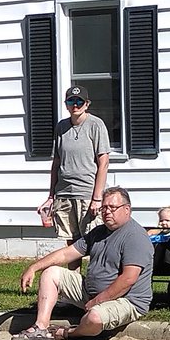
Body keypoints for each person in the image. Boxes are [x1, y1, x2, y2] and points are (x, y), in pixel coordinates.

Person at [12, 186, 153, 340]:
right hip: (91, 294)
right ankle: (41, 327)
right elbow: (66, 253)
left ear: (127, 209)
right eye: (104, 208)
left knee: (94, 318)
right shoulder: (99, 232)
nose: (107, 212)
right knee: (51, 273)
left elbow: (128, 279)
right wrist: (34, 267)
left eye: (112, 208)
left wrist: (97, 301)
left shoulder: (135, 236)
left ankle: (68, 333)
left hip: (127, 301)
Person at [39, 84, 111, 245]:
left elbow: (104, 162)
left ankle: (96, 271)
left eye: (80, 101)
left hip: (88, 194)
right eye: (71, 102)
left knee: (94, 242)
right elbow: (56, 163)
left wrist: (97, 198)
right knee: (71, 244)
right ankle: (74, 272)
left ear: (87, 104)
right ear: (66, 105)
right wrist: (51, 196)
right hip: (64, 195)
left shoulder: (95, 125)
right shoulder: (61, 127)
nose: (75, 105)